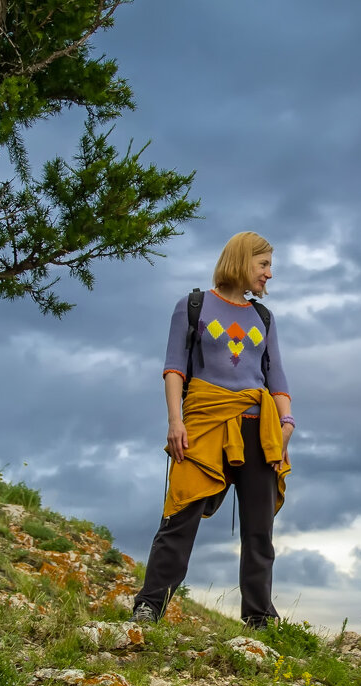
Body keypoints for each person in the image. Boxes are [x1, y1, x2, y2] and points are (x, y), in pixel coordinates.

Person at [131, 231, 294, 629]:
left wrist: (286, 424)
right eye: (264, 264)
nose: (269, 274)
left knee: (259, 529)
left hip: (259, 429)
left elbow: (276, 377)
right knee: (180, 515)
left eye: (270, 266)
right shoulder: (193, 307)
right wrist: (175, 421)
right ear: (241, 260)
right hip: (202, 425)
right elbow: (174, 368)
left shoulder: (263, 318)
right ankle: (149, 606)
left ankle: (259, 618)